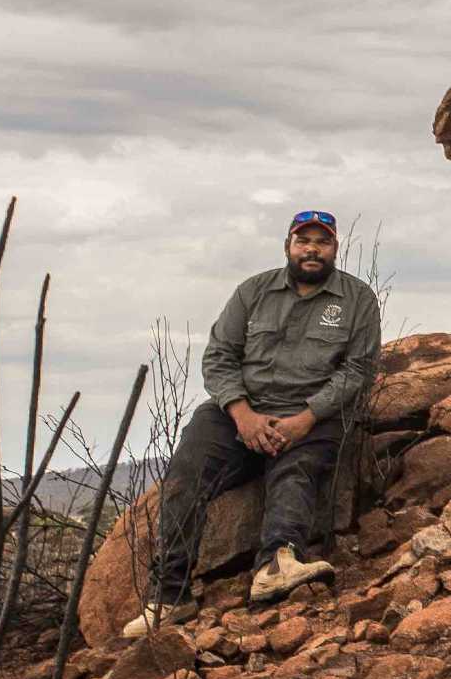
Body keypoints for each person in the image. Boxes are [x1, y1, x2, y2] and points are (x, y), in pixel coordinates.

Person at [124, 212, 382, 634]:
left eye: (322, 241)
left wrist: (306, 417)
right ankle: (170, 595)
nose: (312, 249)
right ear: (288, 246)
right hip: (240, 413)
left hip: (311, 415)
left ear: (335, 249)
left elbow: (358, 369)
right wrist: (242, 415)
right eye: (304, 241)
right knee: (187, 473)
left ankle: (277, 563)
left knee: (294, 473)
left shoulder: (357, 298)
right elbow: (219, 356)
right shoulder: (253, 292)